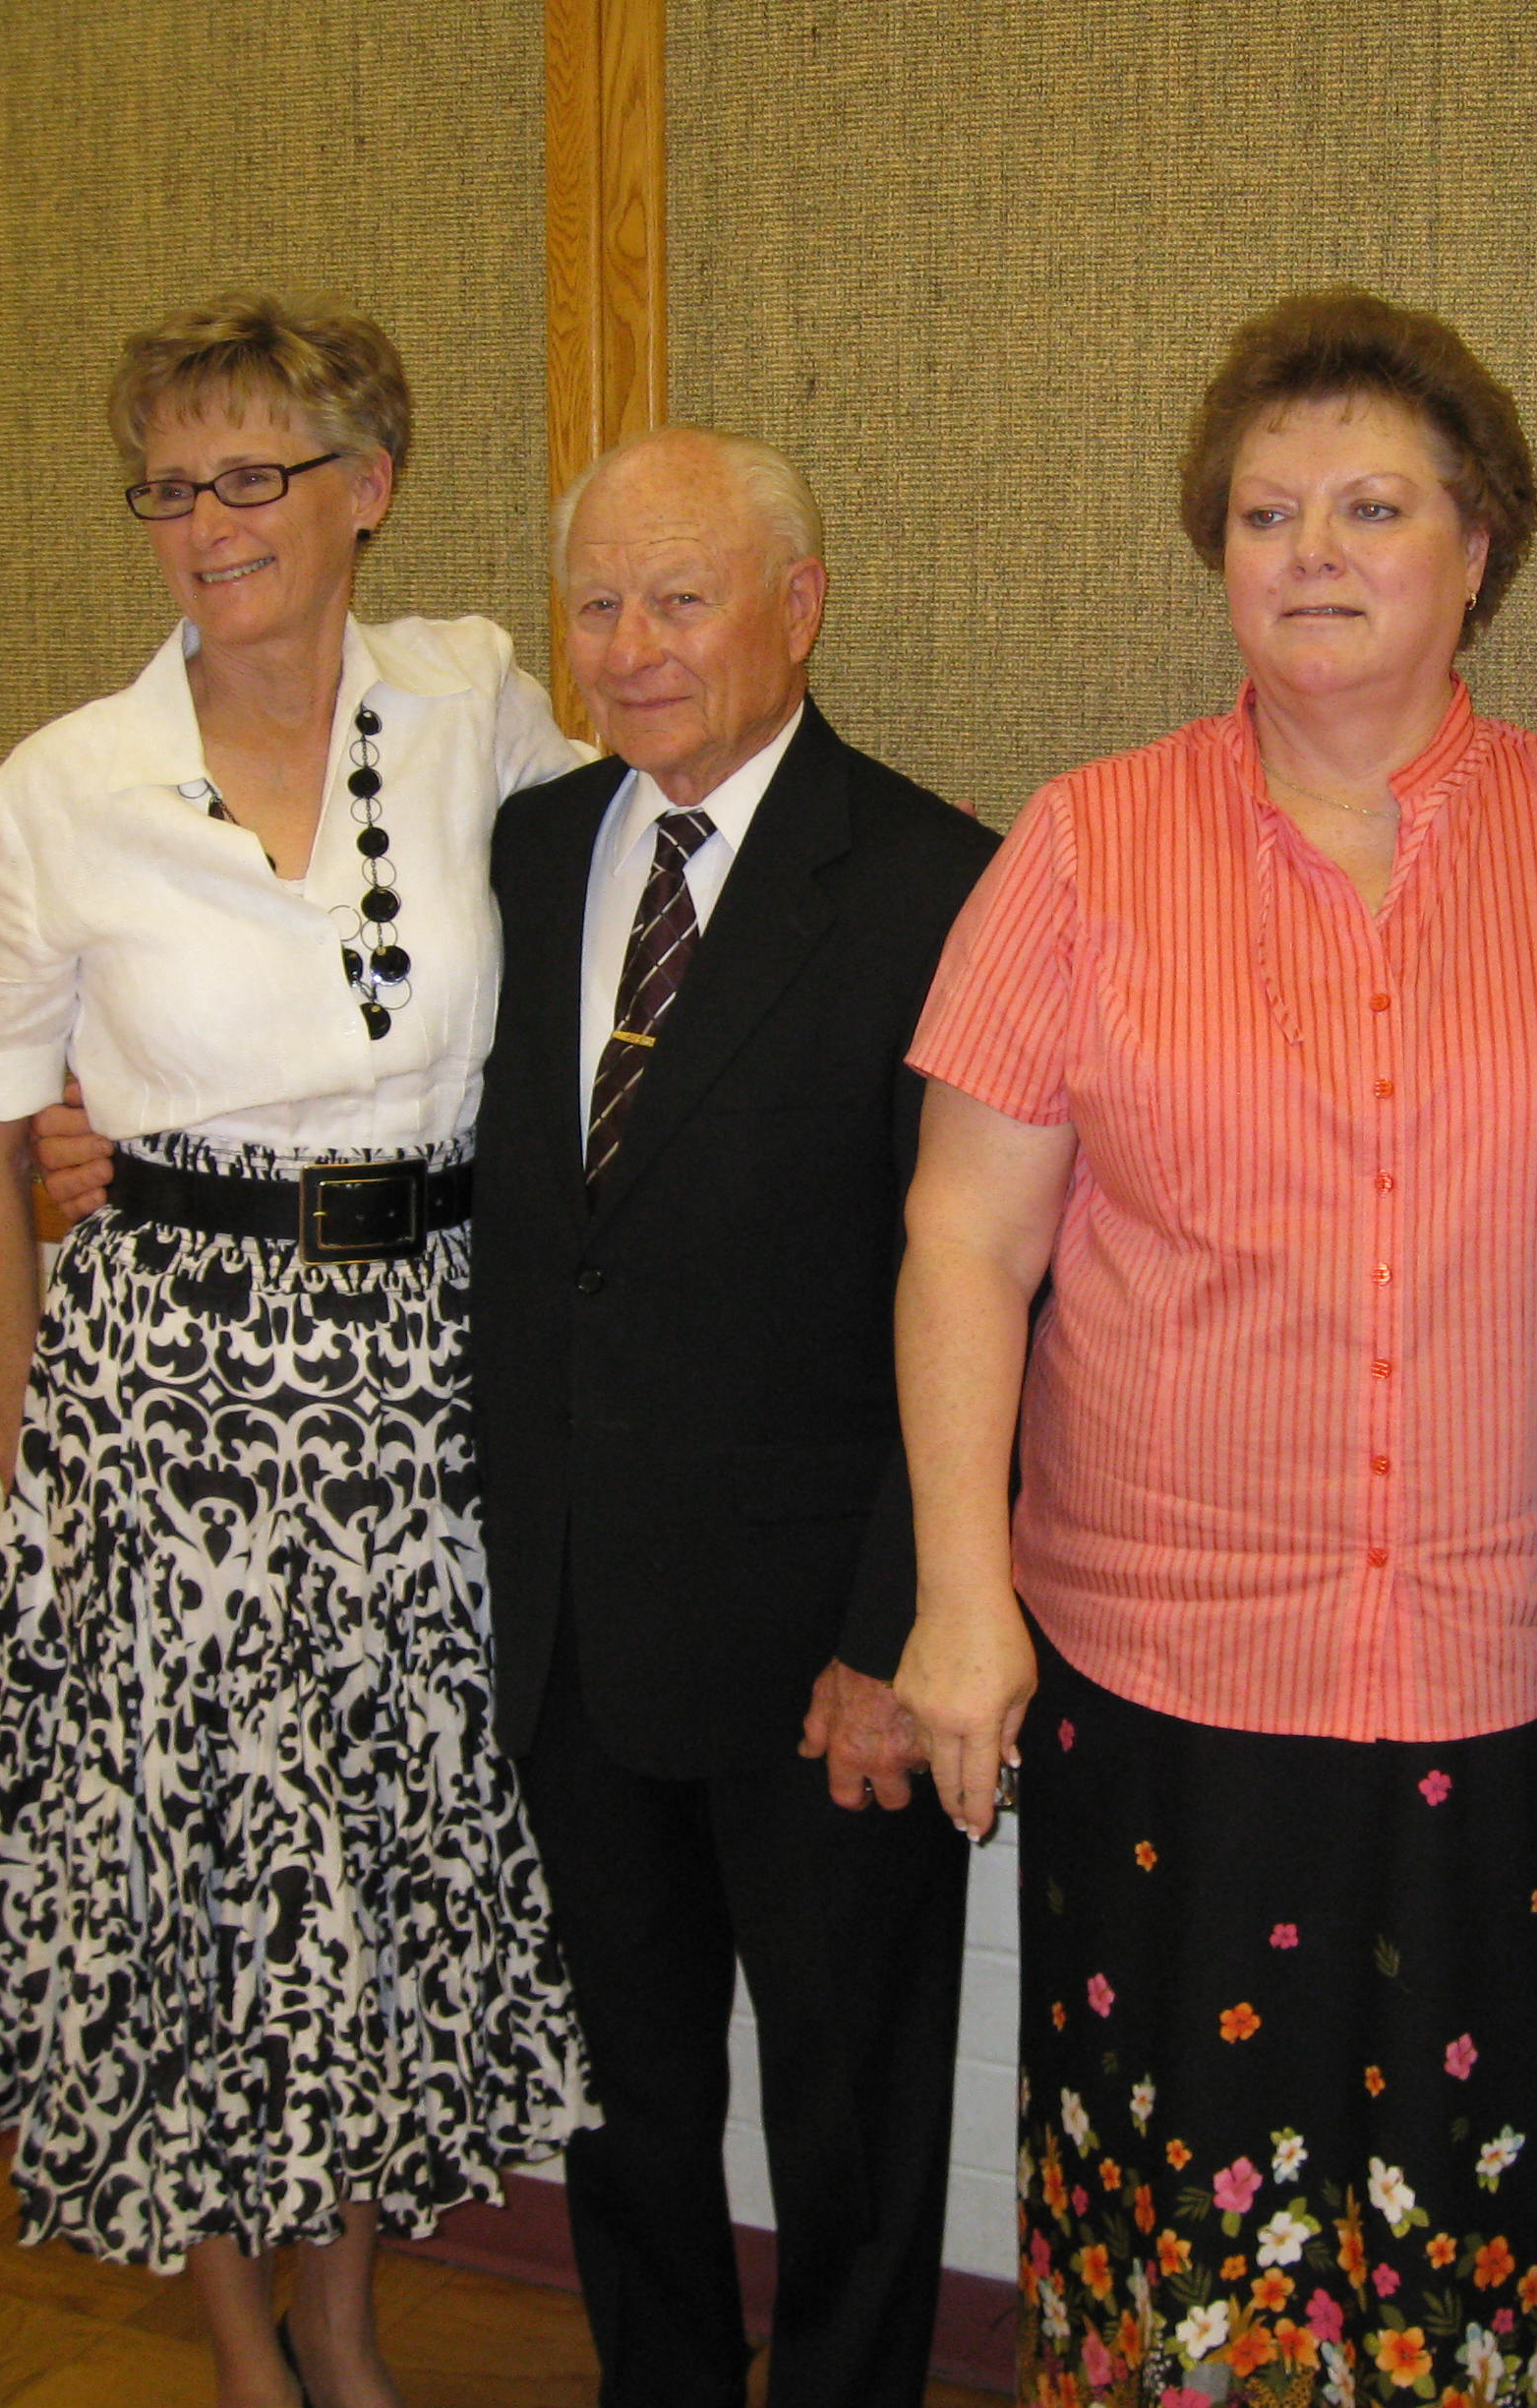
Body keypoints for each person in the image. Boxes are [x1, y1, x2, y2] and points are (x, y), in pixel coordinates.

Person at [895, 287, 1537, 2408]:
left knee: (1482, 2231)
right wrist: (963, 1602)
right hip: (1167, 1681)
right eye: (1267, 514)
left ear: (1479, 548)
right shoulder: (1085, 845)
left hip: (1518, 1674)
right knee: (1178, 2233)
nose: (1314, 553)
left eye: (1372, 507)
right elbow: (964, 1239)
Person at [0, 292, 594, 2408]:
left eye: (252, 476)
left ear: (366, 489)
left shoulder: (477, 704)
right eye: (170, 486)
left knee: (374, 1859)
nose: (207, 523)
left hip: (430, 1375)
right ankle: (241, 2346)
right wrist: (34, 1455)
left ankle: (349, 2323)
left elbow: (613, 925)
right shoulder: (56, 794)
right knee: (195, 1876)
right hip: (164, 1401)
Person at [469, 427, 995, 2408]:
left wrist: (894, 1634)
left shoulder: (936, 882)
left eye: (681, 600)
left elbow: (981, 1288)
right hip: (572, 1633)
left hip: (819, 1658)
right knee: (627, 2107)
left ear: (800, 606)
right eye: (599, 603)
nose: (631, 648)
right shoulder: (531, 852)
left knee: (853, 2118)